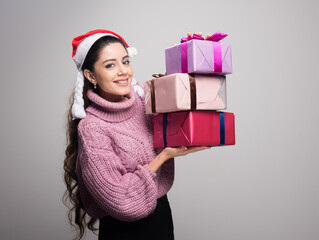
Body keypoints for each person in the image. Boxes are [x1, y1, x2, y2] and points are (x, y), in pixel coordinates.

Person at [63, 29, 210, 240]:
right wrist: (163, 156)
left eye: (125, 61)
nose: (123, 71)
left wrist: (195, 51)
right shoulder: (92, 128)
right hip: (123, 230)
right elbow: (119, 199)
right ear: (90, 75)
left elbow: (188, 101)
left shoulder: (145, 103)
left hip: (160, 219)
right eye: (110, 65)